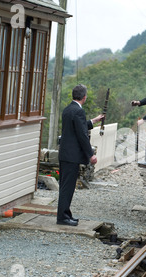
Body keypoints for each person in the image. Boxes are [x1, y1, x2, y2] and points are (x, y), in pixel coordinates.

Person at [57, 84, 104, 226]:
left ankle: (66, 214)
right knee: (67, 187)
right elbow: (82, 134)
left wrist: (93, 121)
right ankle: (63, 217)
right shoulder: (78, 112)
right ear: (84, 97)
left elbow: (77, 126)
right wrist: (91, 155)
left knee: (66, 186)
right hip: (71, 156)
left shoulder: (68, 109)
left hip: (65, 154)